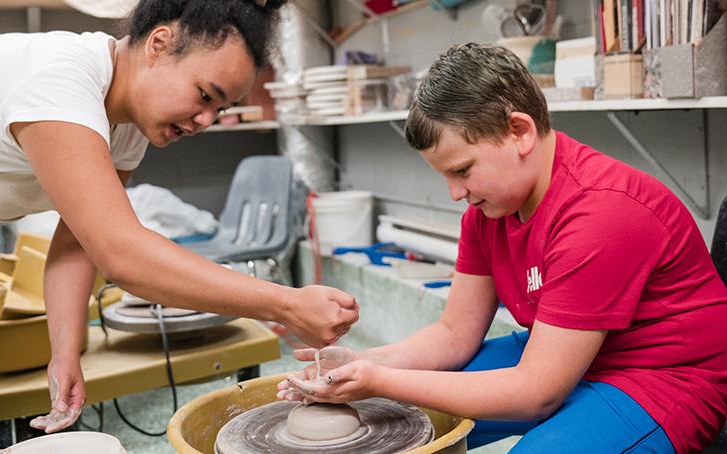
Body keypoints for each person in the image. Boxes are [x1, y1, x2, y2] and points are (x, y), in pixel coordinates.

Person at [0, 1, 360, 452]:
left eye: (221, 110)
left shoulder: (125, 126)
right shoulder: (60, 81)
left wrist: (65, 351)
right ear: (159, 44)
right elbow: (122, 254)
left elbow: (79, 242)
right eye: (206, 96)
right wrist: (285, 304)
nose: (205, 122)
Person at [278, 43, 727, 453]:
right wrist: (361, 362)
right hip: (560, 351)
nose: (455, 193)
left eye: (463, 170)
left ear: (519, 132)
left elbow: (536, 392)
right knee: (397, 414)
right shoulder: (489, 210)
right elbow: (454, 333)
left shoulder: (601, 212)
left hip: (659, 376)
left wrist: (381, 379)